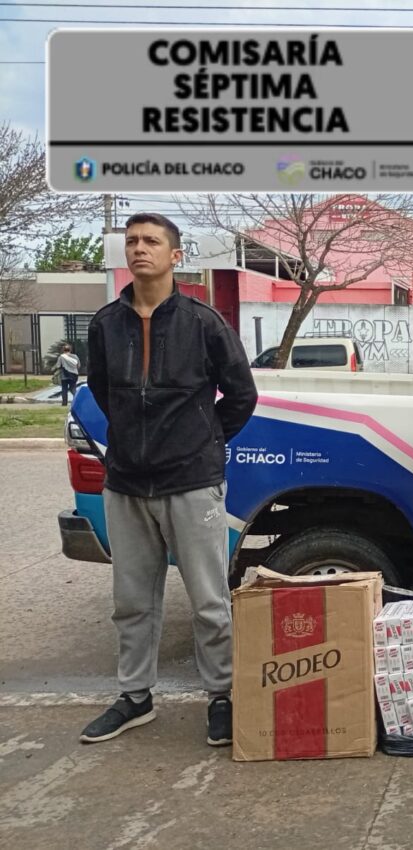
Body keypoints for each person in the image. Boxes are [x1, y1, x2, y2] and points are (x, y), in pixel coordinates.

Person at [81, 213, 258, 747]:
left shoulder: (204, 323)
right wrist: (132, 442)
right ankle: (135, 697)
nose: (140, 248)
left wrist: (203, 441)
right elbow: (104, 390)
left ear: (175, 256)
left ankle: (221, 695)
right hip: (127, 484)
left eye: (152, 241)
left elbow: (242, 395)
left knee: (209, 600)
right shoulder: (105, 323)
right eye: (132, 241)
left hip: (192, 482)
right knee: (132, 600)